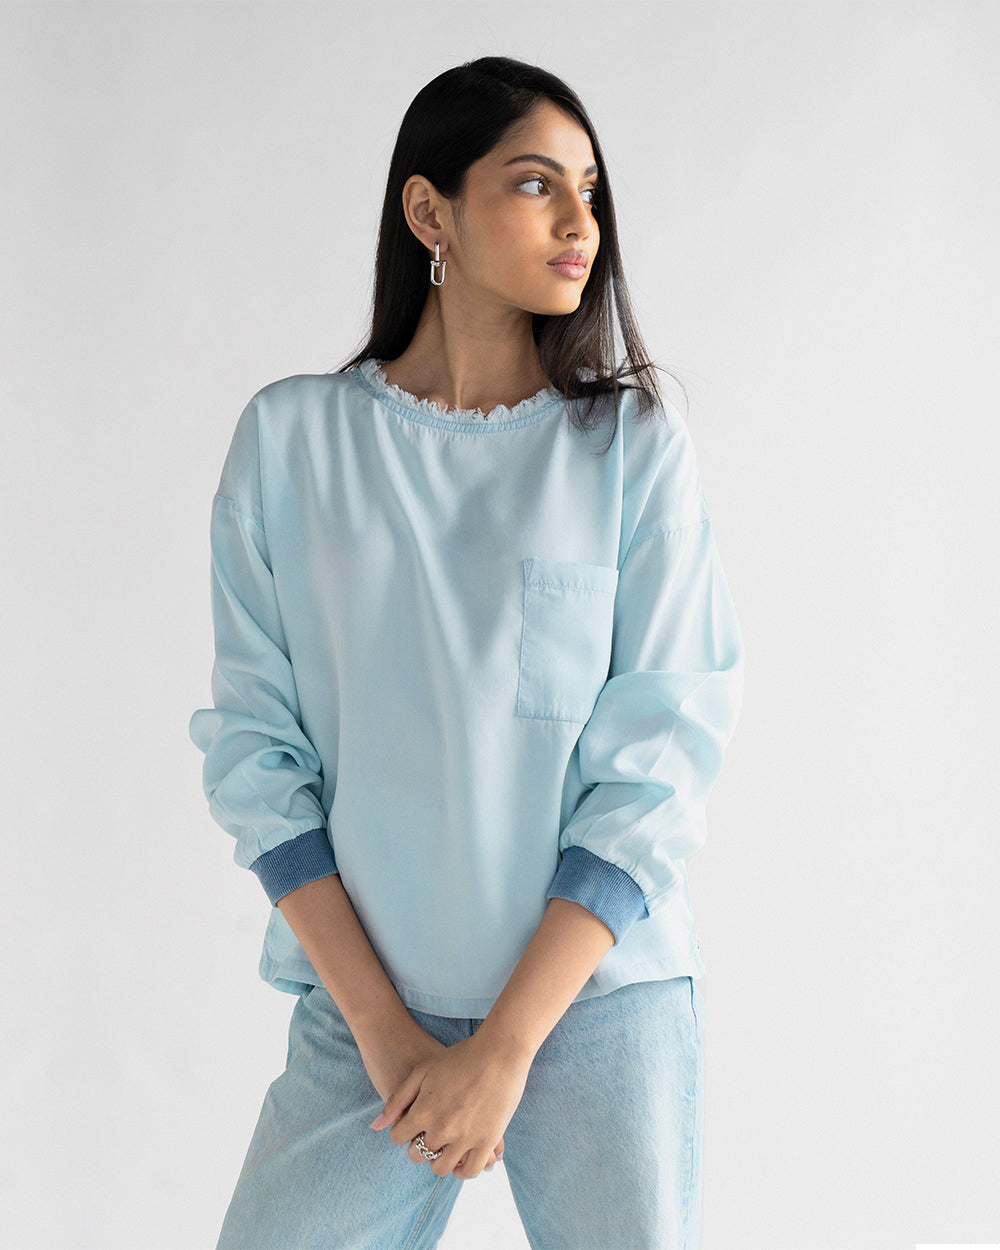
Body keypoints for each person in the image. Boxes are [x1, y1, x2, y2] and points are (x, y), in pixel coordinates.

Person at [188, 54, 745, 1250]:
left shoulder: (630, 448)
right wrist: (386, 1034)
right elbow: (255, 754)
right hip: (366, 1012)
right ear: (429, 210)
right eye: (536, 183)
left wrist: (506, 1044)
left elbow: (658, 761)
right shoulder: (290, 444)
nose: (579, 222)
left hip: (596, 1002)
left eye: (589, 190)